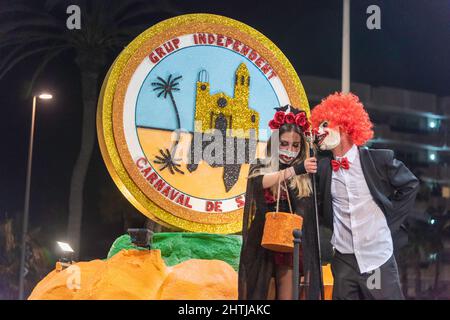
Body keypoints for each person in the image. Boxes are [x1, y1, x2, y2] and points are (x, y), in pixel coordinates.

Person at [311, 92, 420, 300]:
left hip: (375, 261)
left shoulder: (377, 160)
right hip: (344, 261)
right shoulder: (323, 169)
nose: (319, 131)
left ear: (342, 126)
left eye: (325, 125)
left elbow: (411, 184)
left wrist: (388, 222)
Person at [238, 105, 322, 300]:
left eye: (295, 146)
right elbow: (259, 183)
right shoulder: (261, 166)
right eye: (284, 144)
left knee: (288, 294)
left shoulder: (305, 176)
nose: (289, 150)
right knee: (257, 295)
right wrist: (294, 170)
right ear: (275, 143)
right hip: (260, 243)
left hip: (290, 243)